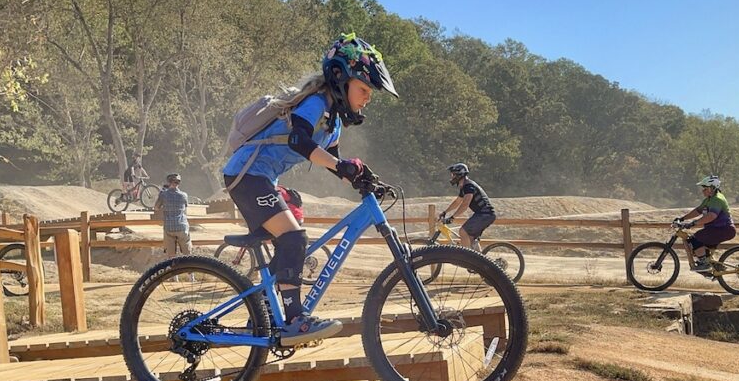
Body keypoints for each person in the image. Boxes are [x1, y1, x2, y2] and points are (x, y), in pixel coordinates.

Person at [222, 33, 398, 346]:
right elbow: (299, 140)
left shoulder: (334, 122)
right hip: (248, 176)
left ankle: (262, 316)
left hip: (260, 179)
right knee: (294, 237)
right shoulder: (316, 103)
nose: (368, 97)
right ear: (340, 78)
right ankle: (294, 320)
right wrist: (342, 167)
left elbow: (333, 161)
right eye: (363, 89)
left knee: (287, 245)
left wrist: (361, 178)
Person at [676, 174, 736, 273]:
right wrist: (682, 218)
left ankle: (704, 264)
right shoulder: (709, 199)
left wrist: (693, 223)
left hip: (724, 229)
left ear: (713, 188)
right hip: (716, 229)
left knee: (696, 238)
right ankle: (714, 267)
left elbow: (711, 216)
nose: (703, 191)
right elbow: (698, 211)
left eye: (705, 188)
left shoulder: (717, 199)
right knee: (700, 245)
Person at [438, 163, 496, 250]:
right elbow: (457, 202)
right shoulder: (464, 187)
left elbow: (465, 204)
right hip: (484, 214)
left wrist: (452, 217)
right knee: (470, 239)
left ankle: (466, 256)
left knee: (463, 231)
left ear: (460, 174)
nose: (452, 177)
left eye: (453, 174)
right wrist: (445, 212)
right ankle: (479, 258)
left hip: (484, 214)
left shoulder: (469, 186)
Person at [155, 173, 192, 258]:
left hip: (169, 227)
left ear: (168, 182)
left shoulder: (163, 194)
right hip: (182, 226)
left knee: (171, 255)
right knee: (187, 253)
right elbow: (185, 209)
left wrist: (161, 193)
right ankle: (189, 266)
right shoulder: (184, 195)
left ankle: (173, 266)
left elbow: (156, 207)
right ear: (179, 182)